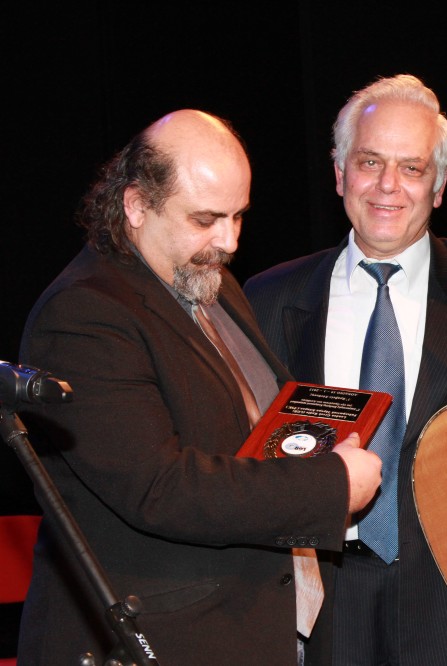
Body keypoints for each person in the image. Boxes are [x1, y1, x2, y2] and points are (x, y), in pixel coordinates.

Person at [16, 109, 382, 665]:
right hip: (161, 639)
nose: (228, 241)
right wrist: (329, 485)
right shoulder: (84, 313)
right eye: (206, 219)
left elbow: (249, 420)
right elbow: (160, 488)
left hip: (246, 623)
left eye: (238, 216)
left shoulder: (206, 279)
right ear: (135, 205)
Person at [244, 75, 447, 665]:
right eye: (369, 162)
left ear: (439, 186)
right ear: (339, 173)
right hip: (324, 604)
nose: (388, 185)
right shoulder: (268, 300)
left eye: (412, 167)